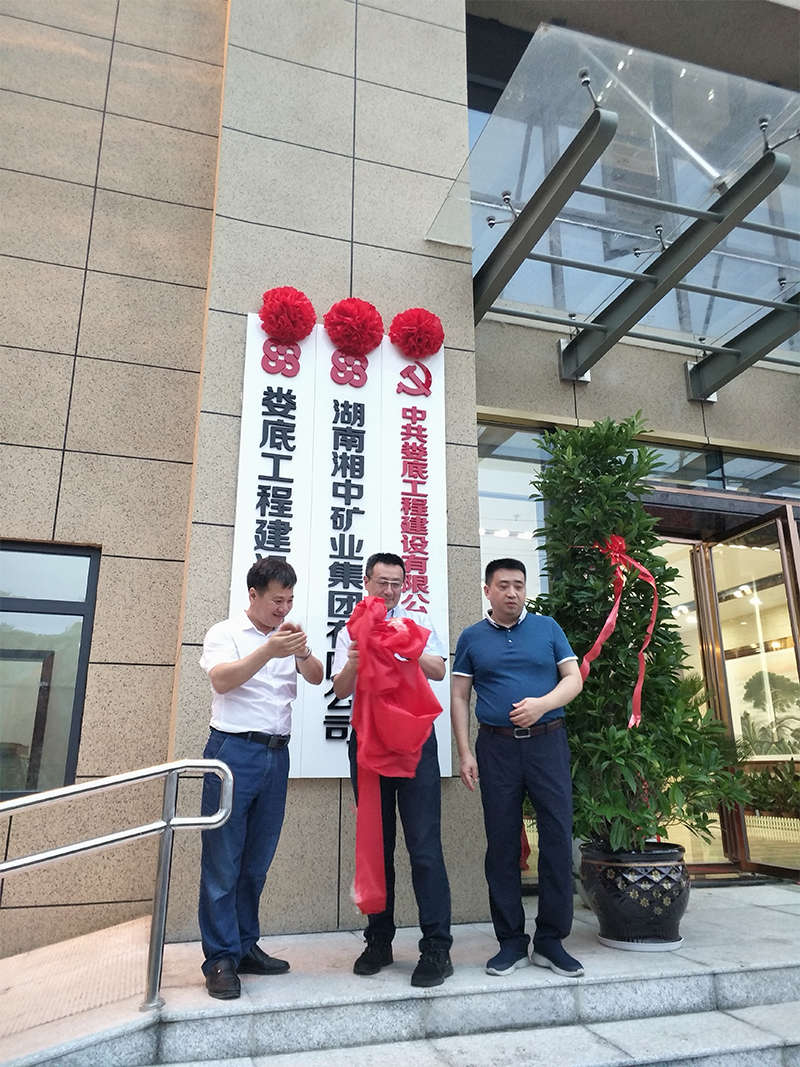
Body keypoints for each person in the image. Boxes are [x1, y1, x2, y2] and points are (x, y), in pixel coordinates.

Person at [451, 558, 584, 978]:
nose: (512, 593)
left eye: (519, 585)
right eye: (504, 585)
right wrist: (465, 753)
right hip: (496, 748)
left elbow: (574, 679)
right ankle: (510, 942)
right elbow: (459, 697)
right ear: (487, 590)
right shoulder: (472, 637)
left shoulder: (548, 628)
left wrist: (543, 704)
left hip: (548, 743)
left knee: (557, 838)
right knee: (502, 844)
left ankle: (550, 941)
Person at [198, 556, 324, 999]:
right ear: (253, 594)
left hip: (276, 754)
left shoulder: (286, 634)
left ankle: (245, 945)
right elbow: (222, 681)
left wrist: (302, 650)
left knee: (256, 862)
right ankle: (220, 959)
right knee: (222, 861)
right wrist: (267, 651)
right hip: (232, 751)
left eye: (289, 601)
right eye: (276, 601)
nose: (283, 609)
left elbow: (316, 677)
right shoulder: (225, 632)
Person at [332, 552, 453, 988]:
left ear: (404, 584)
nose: (388, 590)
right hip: (369, 742)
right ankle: (378, 941)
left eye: (396, 583)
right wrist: (356, 659)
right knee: (375, 845)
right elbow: (339, 689)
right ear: (366, 581)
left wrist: (407, 645)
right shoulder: (352, 627)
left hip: (415, 741)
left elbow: (439, 670)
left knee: (424, 846)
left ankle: (437, 947)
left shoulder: (416, 619)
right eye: (381, 582)